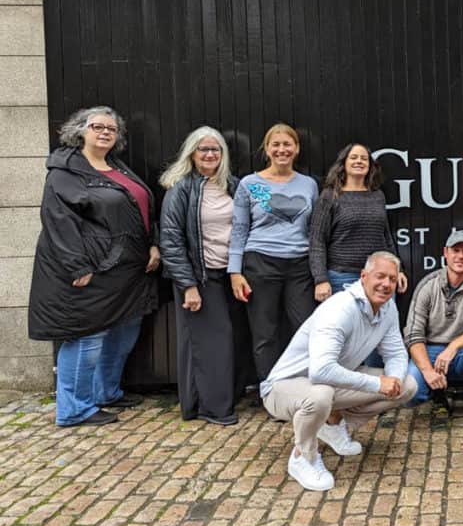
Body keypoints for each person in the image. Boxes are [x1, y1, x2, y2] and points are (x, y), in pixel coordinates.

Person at [28, 106, 160, 427]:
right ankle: (73, 409)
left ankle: (105, 391)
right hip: (91, 270)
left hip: (126, 270)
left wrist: (153, 243)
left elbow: (140, 206)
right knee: (86, 336)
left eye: (111, 129)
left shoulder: (116, 167)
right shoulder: (66, 170)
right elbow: (59, 221)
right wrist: (77, 265)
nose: (104, 133)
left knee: (125, 328)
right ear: (80, 131)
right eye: (97, 126)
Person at [261, 251, 417, 491]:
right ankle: (303, 456)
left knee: (407, 386)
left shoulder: (388, 309)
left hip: (331, 381)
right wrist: (378, 384)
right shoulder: (340, 308)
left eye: (392, 279)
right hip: (284, 387)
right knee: (320, 395)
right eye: (380, 276)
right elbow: (320, 371)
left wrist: (393, 379)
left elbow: (395, 352)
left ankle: (332, 425)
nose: (386, 284)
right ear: (363, 276)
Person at [159, 126, 243, 425]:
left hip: (230, 275)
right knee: (212, 343)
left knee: (228, 341)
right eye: (203, 149)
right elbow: (170, 240)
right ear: (192, 154)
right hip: (200, 278)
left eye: (215, 149)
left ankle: (216, 400)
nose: (210, 155)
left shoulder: (233, 185)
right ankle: (213, 408)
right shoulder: (180, 189)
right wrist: (188, 286)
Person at [229, 123, 319, 381]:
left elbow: (313, 230)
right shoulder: (249, 184)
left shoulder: (309, 185)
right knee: (264, 333)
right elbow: (239, 229)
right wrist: (235, 272)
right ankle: (271, 390)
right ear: (267, 149)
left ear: (297, 148)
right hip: (260, 263)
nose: (282, 150)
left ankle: (301, 387)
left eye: (287, 144)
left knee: (304, 329)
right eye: (276, 144)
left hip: (300, 266)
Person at [404, 230, 463, 434]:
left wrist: (454, 346)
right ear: (445, 253)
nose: (460, 256)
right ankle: (438, 397)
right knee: (410, 393)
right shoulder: (427, 285)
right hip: (431, 352)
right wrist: (428, 371)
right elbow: (413, 333)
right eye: (456, 250)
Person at [309, 142, 407, 302]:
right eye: (353, 157)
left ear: (370, 165)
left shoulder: (377, 196)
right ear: (344, 163)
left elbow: (386, 238)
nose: (359, 161)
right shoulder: (329, 196)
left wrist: (398, 269)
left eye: (364, 159)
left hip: (379, 275)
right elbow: (317, 241)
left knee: (381, 325)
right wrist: (321, 279)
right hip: (342, 278)